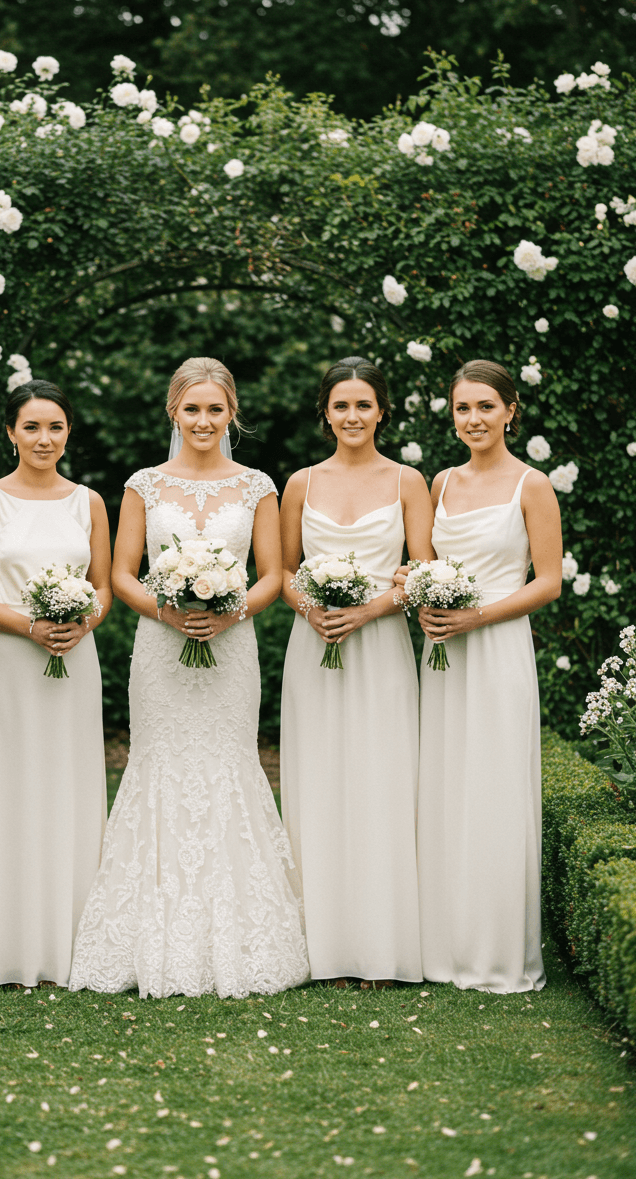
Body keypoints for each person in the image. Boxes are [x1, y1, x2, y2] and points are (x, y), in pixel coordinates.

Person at [69, 356, 309, 998]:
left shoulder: (258, 485)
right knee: (159, 763)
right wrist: (165, 610)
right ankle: (146, 934)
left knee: (231, 763)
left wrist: (231, 611)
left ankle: (242, 935)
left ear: (232, 414)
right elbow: (121, 574)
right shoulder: (143, 484)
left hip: (232, 651)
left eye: (215, 409)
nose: (204, 420)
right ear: (173, 412)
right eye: (192, 409)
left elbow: (274, 575)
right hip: (159, 649)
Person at [279, 357, 435, 986]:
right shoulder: (299, 483)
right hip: (313, 646)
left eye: (363, 405)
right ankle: (322, 948)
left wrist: (370, 609)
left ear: (382, 412)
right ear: (326, 414)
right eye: (341, 406)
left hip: (381, 648)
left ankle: (380, 946)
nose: (352, 416)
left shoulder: (408, 481)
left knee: (380, 781)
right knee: (318, 782)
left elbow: (423, 570)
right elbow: (283, 572)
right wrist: (312, 609)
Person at [0, 379, 111, 987]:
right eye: (31, 427)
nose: (44, 439)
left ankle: (72, 939)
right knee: (8, 788)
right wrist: (29, 625)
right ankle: (6, 946)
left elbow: (102, 587)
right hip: (8, 664)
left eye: (55, 427)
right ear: (11, 432)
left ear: (68, 433)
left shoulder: (89, 502)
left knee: (67, 786)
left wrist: (80, 622)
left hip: (74, 660)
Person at [415, 359, 562, 992]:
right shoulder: (439, 483)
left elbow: (549, 582)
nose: (473, 419)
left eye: (484, 407)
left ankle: (499, 952)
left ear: (510, 412)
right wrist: (425, 598)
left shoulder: (533, 486)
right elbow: (419, 564)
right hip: (443, 653)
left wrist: (477, 618)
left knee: (495, 787)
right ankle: (443, 947)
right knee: (445, 785)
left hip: (498, 648)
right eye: (462, 409)